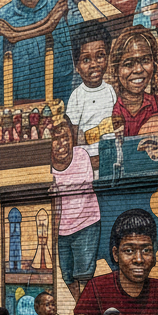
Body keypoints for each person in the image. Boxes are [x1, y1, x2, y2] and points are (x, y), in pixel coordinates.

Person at [51, 116, 100, 301]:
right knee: (66, 276)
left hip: (86, 224)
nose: (62, 143)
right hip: (61, 231)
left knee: (85, 274)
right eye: (55, 139)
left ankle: (84, 308)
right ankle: (79, 305)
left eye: (65, 136)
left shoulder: (81, 156)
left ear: (72, 135)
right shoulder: (46, 167)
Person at [66, 20, 116, 173]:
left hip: (110, 160)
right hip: (87, 165)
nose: (94, 64)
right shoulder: (77, 96)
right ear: (77, 66)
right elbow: (73, 136)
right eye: (86, 59)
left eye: (100, 56)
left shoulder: (110, 91)